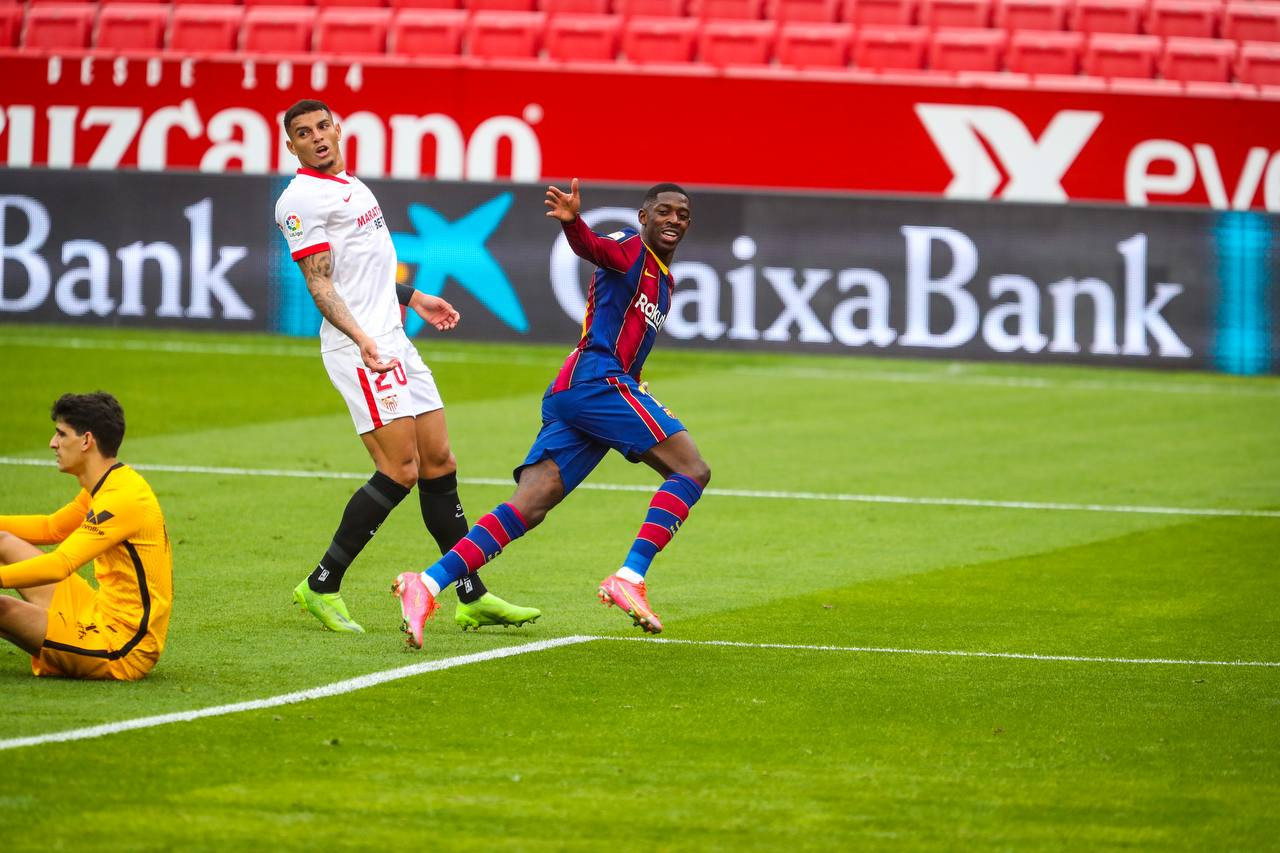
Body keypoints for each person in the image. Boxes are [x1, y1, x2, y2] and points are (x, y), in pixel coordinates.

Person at [393, 179, 711, 648]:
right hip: (595, 382)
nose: (674, 221)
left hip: (580, 391)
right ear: (643, 217)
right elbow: (596, 248)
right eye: (664, 211)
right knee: (691, 469)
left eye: (682, 216)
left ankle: (427, 584)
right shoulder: (628, 247)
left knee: (530, 504)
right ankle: (629, 576)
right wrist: (572, 223)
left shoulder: (663, 280)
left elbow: (630, 338)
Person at [274, 98, 539, 633]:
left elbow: (360, 272)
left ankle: (470, 592)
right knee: (401, 469)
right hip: (362, 348)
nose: (318, 137)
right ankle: (321, 584)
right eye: (305, 133)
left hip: (394, 337)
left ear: (338, 128)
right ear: (292, 145)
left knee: (440, 461)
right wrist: (363, 338)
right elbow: (320, 284)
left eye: (324, 126)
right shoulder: (300, 200)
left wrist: (412, 296)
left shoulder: (351, 184)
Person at [0, 392, 172, 681]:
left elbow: (60, 564)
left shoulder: (123, 498)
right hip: (95, 610)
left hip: (120, 646)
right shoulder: (107, 484)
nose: (52, 443)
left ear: (86, 441)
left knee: (2, 608)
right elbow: (51, 528)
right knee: (3, 540)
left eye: (61, 434)